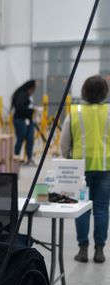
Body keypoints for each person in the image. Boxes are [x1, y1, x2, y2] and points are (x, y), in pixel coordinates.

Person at [60, 75, 110, 264]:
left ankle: (82, 249)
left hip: (79, 169)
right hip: (106, 168)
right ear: (105, 92)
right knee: (102, 209)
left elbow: (64, 142)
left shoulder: (75, 112)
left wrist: (67, 158)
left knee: (81, 209)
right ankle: (99, 250)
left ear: (84, 92)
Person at [12, 80, 37, 166]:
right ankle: (16, 158)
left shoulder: (27, 96)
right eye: (33, 89)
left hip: (28, 120)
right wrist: (30, 110)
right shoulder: (22, 95)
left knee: (30, 139)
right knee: (20, 139)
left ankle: (29, 159)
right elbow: (19, 108)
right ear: (30, 88)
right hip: (20, 120)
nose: (33, 92)